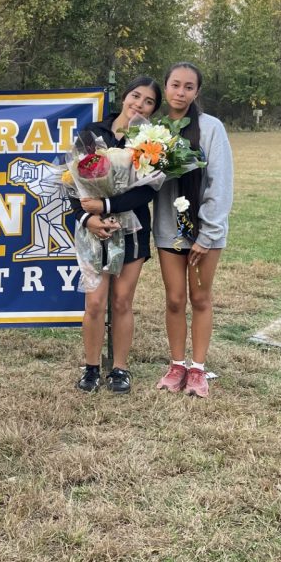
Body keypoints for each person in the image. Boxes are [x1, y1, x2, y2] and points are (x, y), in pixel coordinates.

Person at [72, 76, 162, 394]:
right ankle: (92, 368)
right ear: (124, 97)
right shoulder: (92, 133)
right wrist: (87, 218)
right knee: (95, 303)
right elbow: (72, 183)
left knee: (123, 302)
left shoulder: (151, 141)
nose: (139, 104)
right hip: (95, 229)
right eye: (135, 96)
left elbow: (145, 193)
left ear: (153, 110)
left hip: (133, 228)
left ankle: (120, 369)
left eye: (148, 101)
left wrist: (107, 203)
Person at [152, 62, 234, 398]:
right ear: (166, 86)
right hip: (168, 228)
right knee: (174, 300)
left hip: (204, 231)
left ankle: (198, 369)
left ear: (197, 92)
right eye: (174, 85)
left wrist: (207, 234)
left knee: (200, 298)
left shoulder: (211, 128)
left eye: (188, 87)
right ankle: (177, 364)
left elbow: (220, 183)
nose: (180, 92)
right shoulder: (152, 130)